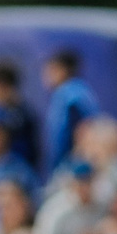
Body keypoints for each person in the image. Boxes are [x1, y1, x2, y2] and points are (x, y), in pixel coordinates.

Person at [39, 48, 99, 176]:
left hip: (70, 165)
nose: (45, 77)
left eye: (50, 71)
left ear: (63, 70)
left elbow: (67, 135)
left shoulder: (69, 97)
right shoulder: (82, 91)